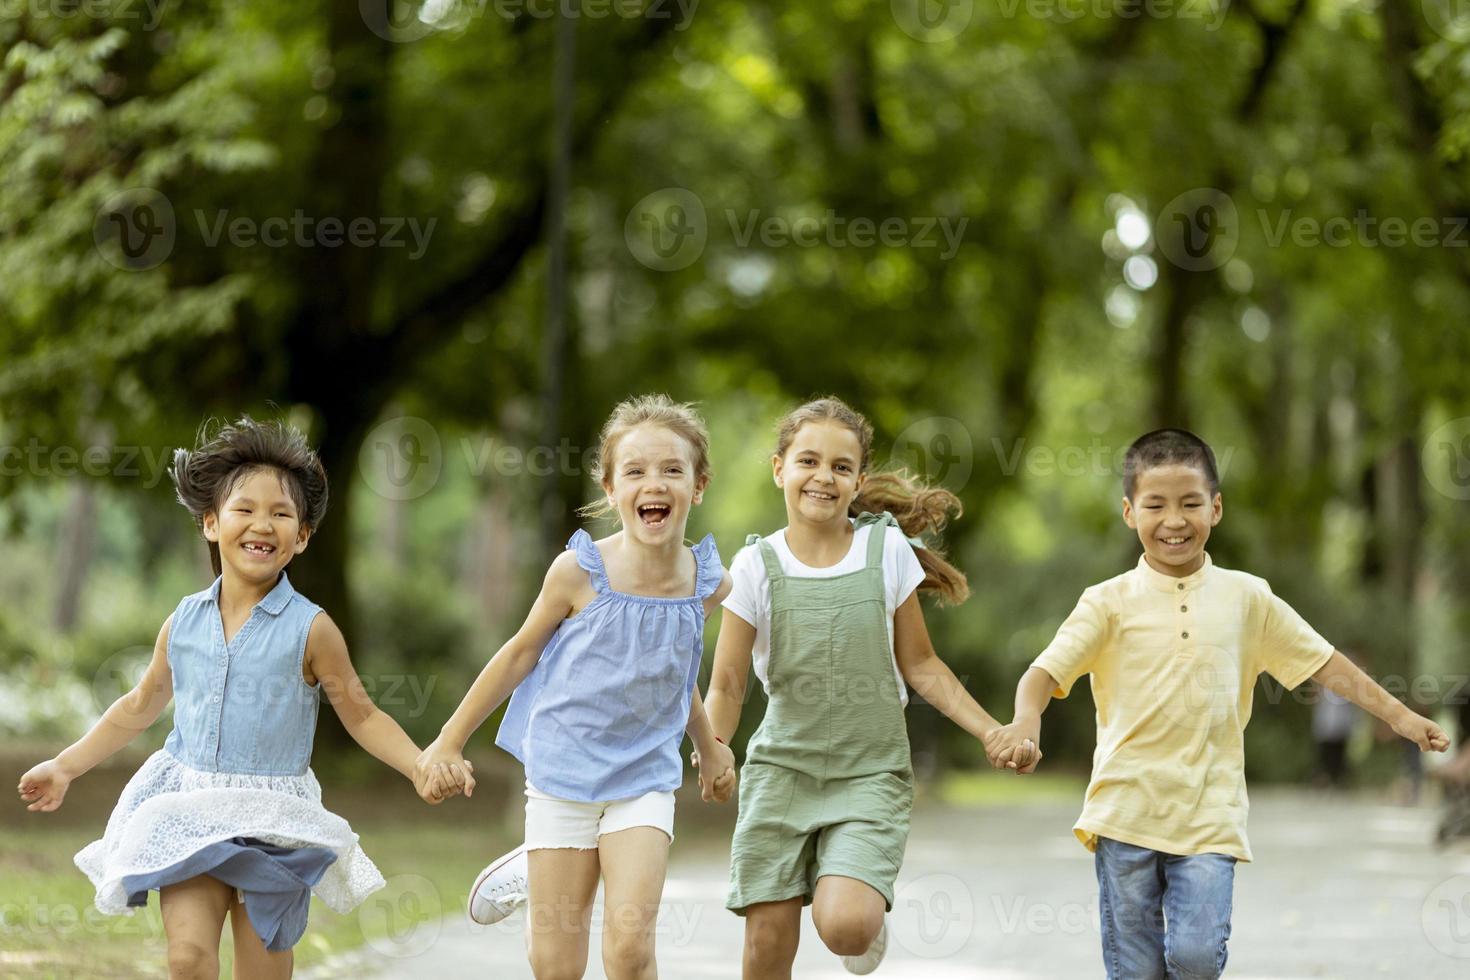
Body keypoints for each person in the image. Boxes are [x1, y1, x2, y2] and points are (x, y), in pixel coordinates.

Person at [986, 428, 1449, 980]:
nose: (1174, 520)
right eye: (1156, 505)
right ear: (1130, 512)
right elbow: (1044, 671)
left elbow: (1324, 663)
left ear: (1216, 507)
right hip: (1124, 809)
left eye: (1190, 503)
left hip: (1211, 812)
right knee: (1134, 969)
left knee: (1196, 956)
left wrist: (1400, 717)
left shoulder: (1247, 597)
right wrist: (1025, 720)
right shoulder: (1107, 602)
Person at [17, 416, 457, 980]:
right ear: (210, 523)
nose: (262, 524)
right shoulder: (183, 622)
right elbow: (138, 705)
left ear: (301, 536)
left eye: (280, 513)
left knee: (262, 972)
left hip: (275, 820)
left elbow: (363, 715)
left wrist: (418, 763)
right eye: (244, 508)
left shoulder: (313, 629)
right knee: (189, 959)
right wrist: (64, 766)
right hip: (190, 809)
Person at [702, 396, 1026, 978]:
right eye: (808, 460)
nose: (823, 476)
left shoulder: (886, 552)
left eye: (841, 466)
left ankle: (864, 915)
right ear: (780, 469)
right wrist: (714, 749)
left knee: (846, 927)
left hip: (869, 773)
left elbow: (923, 664)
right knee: (766, 947)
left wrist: (991, 730)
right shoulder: (755, 564)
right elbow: (725, 685)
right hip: (783, 772)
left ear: (856, 480)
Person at [416, 394, 737, 979]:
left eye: (672, 469)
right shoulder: (578, 572)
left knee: (630, 952)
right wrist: (448, 740)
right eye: (635, 471)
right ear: (612, 490)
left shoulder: (708, 583)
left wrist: (709, 745)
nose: (654, 483)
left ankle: (554, 867)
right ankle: (537, 861)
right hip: (564, 774)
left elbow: (673, 671)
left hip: (643, 777)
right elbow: (518, 655)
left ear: (699, 484)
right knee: (556, 967)